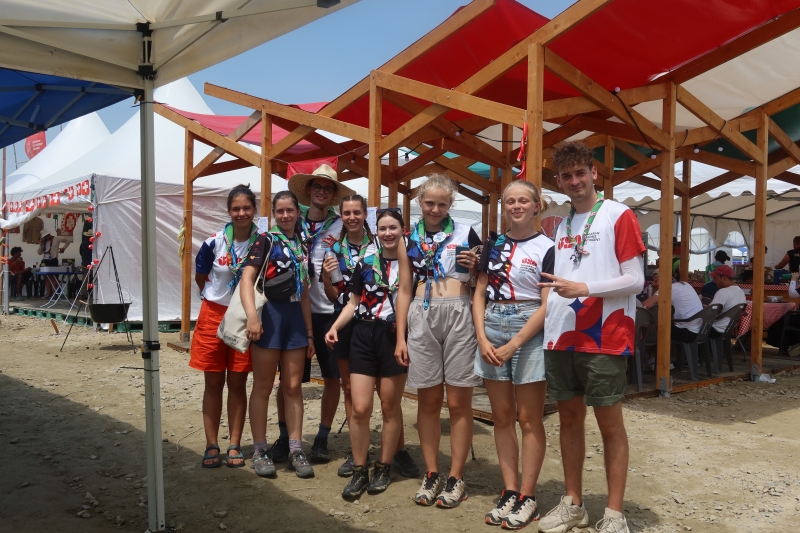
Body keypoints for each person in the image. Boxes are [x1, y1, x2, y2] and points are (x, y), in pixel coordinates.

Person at [538, 141, 645, 533]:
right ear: (558, 181)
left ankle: (614, 514)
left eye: (580, 173)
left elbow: (635, 280)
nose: (574, 181)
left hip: (606, 334)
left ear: (594, 173)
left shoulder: (619, 214)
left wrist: (584, 287)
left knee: (610, 424)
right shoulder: (561, 223)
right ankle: (573, 503)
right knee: (568, 419)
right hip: (561, 335)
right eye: (566, 176)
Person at [395, 173, 482, 508]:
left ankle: (456, 476)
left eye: (441, 204)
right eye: (429, 203)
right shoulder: (407, 237)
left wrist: (475, 266)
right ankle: (432, 473)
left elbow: (480, 280)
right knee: (428, 401)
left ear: (451, 204)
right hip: (422, 313)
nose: (434, 209)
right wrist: (400, 336)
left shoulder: (466, 232)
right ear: (419, 201)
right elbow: (403, 288)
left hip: (459, 310)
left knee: (459, 402)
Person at [473, 180, 553, 529]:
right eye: (510, 201)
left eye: (523, 201)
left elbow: (548, 304)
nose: (516, 206)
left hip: (529, 329)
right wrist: (481, 337)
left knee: (529, 418)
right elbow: (478, 293)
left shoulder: (548, 247)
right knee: (501, 416)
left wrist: (514, 343)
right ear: (503, 207)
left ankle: (528, 495)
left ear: (537, 206)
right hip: (492, 324)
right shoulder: (493, 245)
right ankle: (509, 491)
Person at [320, 196, 418, 479]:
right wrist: (334, 327)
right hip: (362, 331)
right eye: (384, 228)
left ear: (403, 231)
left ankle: (388, 462)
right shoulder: (362, 261)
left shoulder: (412, 264)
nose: (388, 233)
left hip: (392, 334)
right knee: (359, 404)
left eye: (393, 228)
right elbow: (351, 300)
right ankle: (360, 465)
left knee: (390, 404)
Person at [266, 164, 355, 466]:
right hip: (295, 309)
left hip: (330, 311)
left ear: (332, 195)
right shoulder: (292, 220)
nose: (321, 191)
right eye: (317, 186)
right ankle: (284, 437)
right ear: (309, 191)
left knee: (332, 378)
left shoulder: (341, 223)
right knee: (289, 382)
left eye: (327, 188)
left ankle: (321, 437)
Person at [241, 190, 316, 479]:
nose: (285, 215)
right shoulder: (265, 240)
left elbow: (305, 292)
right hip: (268, 319)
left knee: (293, 387)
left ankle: (296, 448)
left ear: (298, 212)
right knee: (262, 385)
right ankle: (260, 450)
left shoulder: (303, 243)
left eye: (290, 210)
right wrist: (251, 317)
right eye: (280, 211)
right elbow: (247, 279)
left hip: (295, 319)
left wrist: (309, 334)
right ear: (274, 214)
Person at [189, 185, 258, 469]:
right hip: (213, 315)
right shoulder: (213, 242)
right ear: (228, 212)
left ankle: (234, 444)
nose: (241, 213)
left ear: (254, 210)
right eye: (235, 209)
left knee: (239, 383)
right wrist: (217, 299)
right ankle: (212, 444)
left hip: (245, 316)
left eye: (246, 208)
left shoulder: (263, 242)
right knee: (213, 382)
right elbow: (201, 277)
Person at [642, 271, 703, 344]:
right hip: (701, 330)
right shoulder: (685, 284)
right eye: (655, 281)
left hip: (688, 332)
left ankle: (655, 353)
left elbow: (646, 305)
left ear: (668, 278)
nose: (657, 283)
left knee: (657, 328)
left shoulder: (669, 288)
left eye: (658, 280)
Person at [708, 265, 746, 336]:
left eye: (715, 278)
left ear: (724, 278)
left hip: (716, 328)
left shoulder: (723, 292)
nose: (714, 281)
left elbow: (710, 313)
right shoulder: (740, 291)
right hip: (728, 328)